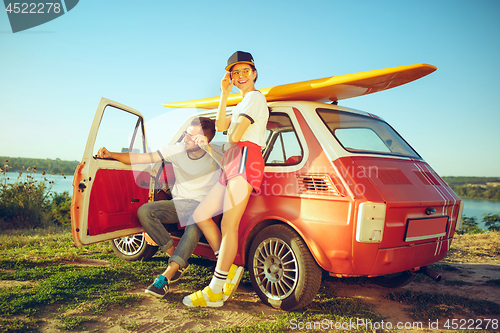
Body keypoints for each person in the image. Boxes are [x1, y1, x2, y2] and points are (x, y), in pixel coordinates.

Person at [97, 117, 221, 298]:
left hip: (203, 209)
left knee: (195, 224)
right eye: (186, 134)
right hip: (179, 204)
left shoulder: (215, 155)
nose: (185, 138)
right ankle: (176, 261)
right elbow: (143, 158)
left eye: (191, 136)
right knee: (145, 211)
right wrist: (112, 154)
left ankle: (166, 276)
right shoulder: (178, 150)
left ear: (204, 140)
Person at [183, 51, 269, 307]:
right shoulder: (243, 102)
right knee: (202, 214)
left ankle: (215, 290)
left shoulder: (255, 98)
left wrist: (231, 128)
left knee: (229, 225)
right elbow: (222, 126)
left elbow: (232, 136)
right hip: (233, 161)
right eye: (235, 73)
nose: (240, 76)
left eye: (245, 71)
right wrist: (223, 94)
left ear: (254, 73)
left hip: (245, 159)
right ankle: (227, 268)